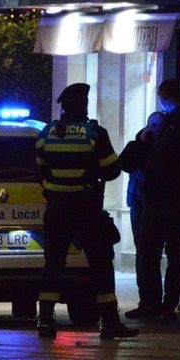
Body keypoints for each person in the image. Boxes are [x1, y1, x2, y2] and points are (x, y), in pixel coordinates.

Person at [35, 83, 139, 340]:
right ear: (83, 105)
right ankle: (110, 322)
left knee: (54, 265)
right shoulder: (94, 133)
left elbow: (40, 169)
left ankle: (45, 322)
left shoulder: (47, 133)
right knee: (101, 264)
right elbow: (113, 170)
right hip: (86, 209)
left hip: (57, 209)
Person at [125, 79, 180, 321]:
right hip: (159, 198)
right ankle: (154, 303)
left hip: (167, 198)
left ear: (163, 97)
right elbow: (128, 161)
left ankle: (163, 305)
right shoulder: (173, 124)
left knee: (166, 252)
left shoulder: (179, 124)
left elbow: (174, 164)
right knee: (152, 252)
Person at [119, 112, 165, 315]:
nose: (154, 129)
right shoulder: (137, 145)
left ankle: (155, 301)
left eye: (158, 126)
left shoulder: (166, 147)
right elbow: (124, 164)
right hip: (139, 204)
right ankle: (146, 300)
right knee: (142, 254)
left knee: (151, 254)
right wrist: (142, 144)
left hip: (158, 205)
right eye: (152, 125)